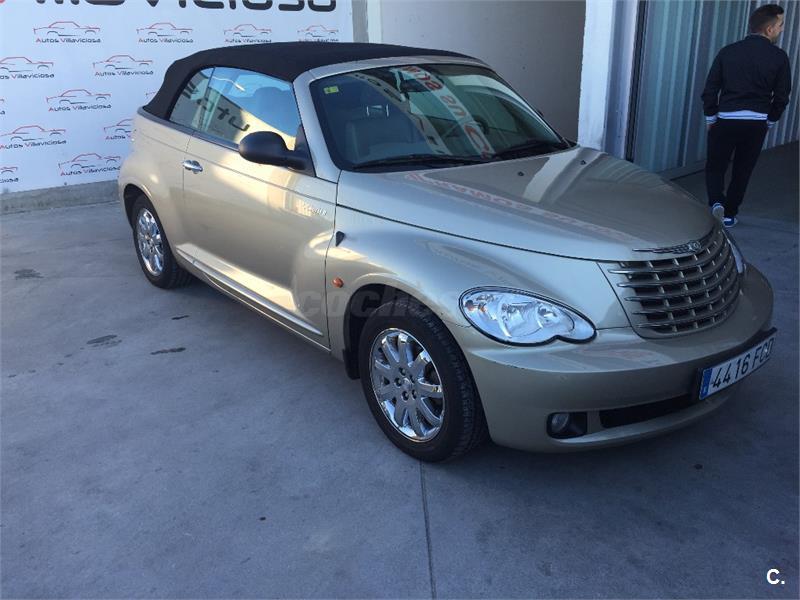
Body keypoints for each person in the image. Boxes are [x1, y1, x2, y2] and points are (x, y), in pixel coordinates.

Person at [701, 3, 792, 228]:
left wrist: (711, 117)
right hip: (756, 122)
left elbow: (710, 89)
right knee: (743, 170)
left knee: (716, 166)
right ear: (769, 29)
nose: (782, 29)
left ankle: (716, 202)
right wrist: (770, 120)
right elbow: (782, 96)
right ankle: (730, 214)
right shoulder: (779, 57)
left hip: (727, 119)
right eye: (780, 25)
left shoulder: (728, 52)